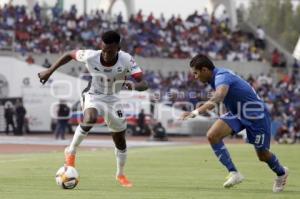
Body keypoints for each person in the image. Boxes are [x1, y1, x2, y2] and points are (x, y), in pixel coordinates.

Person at [38, 30, 148, 188]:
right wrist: (49, 71)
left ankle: (120, 174)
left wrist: (134, 86)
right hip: (93, 94)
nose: (106, 54)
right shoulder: (91, 56)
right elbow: (69, 54)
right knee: (90, 118)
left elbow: (144, 84)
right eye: (103, 50)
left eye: (110, 51)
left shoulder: (127, 60)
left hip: (113, 99)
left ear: (118, 48)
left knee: (120, 141)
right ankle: (71, 151)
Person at [181, 54, 288, 192]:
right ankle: (234, 173)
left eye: (196, 73)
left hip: (256, 115)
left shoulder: (222, 76)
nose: (195, 77)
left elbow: (219, 96)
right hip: (237, 113)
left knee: (262, 155)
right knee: (212, 135)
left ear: (205, 70)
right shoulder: (215, 78)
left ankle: (281, 173)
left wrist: (195, 112)